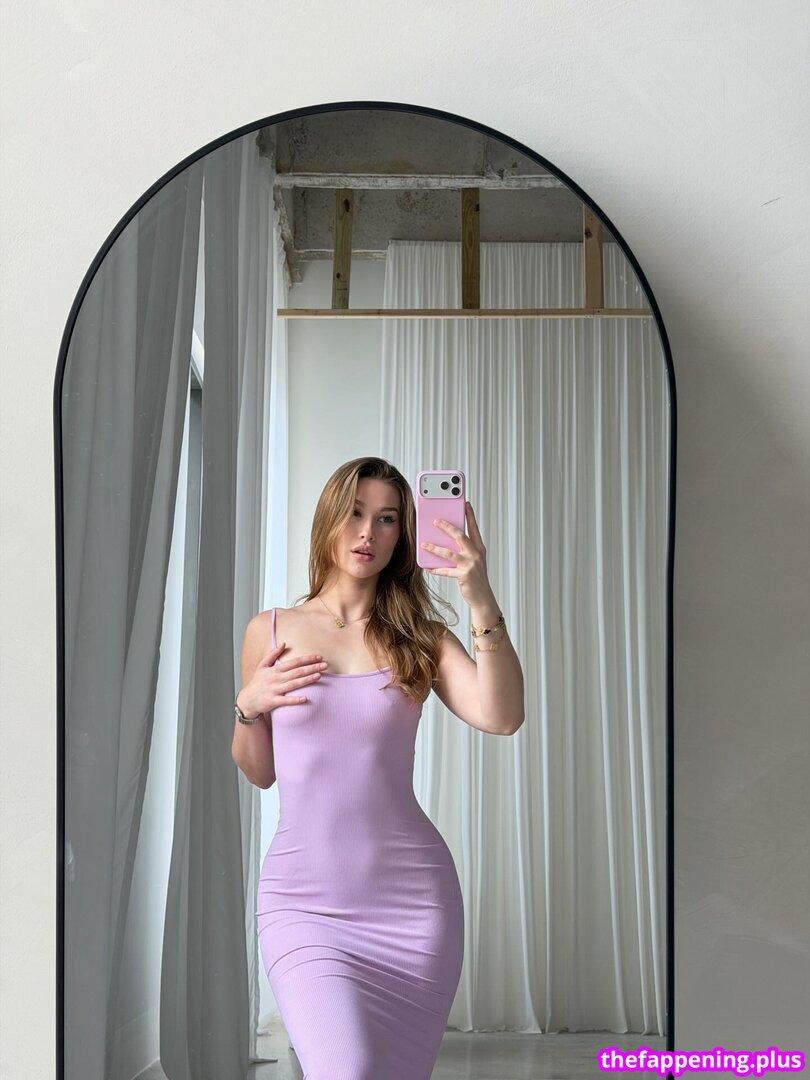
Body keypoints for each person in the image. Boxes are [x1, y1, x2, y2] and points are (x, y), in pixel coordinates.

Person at [232, 456, 524, 1080]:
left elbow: (502, 717)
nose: (367, 532)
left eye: (387, 519)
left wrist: (479, 596)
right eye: (355, 513)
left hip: (412, 907)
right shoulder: (271, 630)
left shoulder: (420, 638)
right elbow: (260, 772)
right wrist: (248, 707)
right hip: (303, 904)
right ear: (328, 519)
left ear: (403, 537)